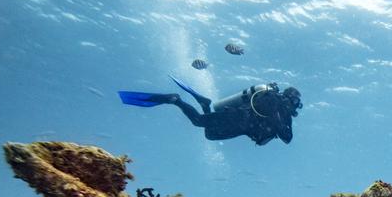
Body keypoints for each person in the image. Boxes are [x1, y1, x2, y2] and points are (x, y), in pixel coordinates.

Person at [118, 75, 302, 146]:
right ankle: (175, 100)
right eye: (297, 104)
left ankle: (204, 103)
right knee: (197, 121)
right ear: (292, 100)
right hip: (237, 118)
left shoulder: (279, 108)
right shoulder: (280, 107)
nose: (295, 108)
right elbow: (287, 138)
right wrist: (281, 119)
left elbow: (286, 137)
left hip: (240, 125)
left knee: (209, 135)